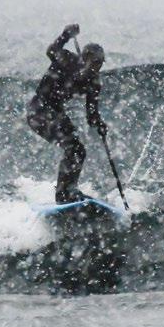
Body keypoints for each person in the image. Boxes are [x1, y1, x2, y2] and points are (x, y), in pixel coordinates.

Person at [27, 23, 107, 203]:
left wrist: (100, 124)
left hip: (56, 112)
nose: (97, 68)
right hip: (38, 110)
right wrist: (66, 35)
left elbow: (92, 114)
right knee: (74, 149)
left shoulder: (94, 82)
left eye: (100, 64)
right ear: (84, 58)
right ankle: (63, 194)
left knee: (78, 151)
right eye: (95, 62)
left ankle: (68, 191)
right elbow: (51, 50)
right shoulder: (67, 59)